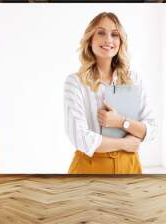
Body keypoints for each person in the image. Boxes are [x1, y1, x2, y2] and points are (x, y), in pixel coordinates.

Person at [64, 12, 157, 174]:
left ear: (120, 41)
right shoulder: (75, 82)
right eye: (101, 33)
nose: (108, 40)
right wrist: (125, 144)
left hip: (130, 166)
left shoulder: (133, 79)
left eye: (114, 34)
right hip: (88, 168)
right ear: (90, 39)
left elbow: (151, 129)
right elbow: (80, 138)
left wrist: (121, 122)